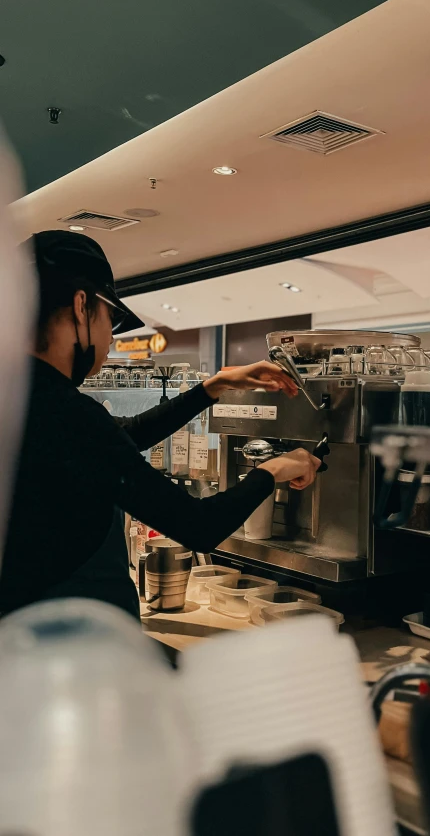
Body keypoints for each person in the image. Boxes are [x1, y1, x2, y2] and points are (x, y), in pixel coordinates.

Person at [0, 231, 320, 621]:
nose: (110, 340)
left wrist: (212, 387)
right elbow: (198, 526)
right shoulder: (64, 412)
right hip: (69, 650)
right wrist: (274, 469)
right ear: (81, 306)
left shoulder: (20, 400)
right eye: (111, 319)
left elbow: (119, 439)